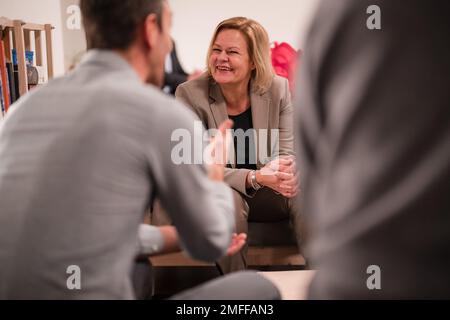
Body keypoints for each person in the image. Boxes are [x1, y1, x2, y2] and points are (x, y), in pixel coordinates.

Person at [0, 0, 280, 300]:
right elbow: (211, 241)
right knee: (258, 290)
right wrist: (213, 177)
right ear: (150, 30)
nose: (169, 42)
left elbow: (95, 233)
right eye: (168, 28)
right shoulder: (159, 113)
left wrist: (171, 236)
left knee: (139, 268)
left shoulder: (21, 111)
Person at [296, 0, 450, 298]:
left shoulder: (345, 13)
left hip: (352, 278)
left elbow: (313, 175)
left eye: (233, 51)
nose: (222, 58)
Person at [175, 17, 302, 273]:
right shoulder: (189, 94)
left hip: (272, 192)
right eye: (216, 49)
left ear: (254, 61)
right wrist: (254, 177)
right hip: (221, 190)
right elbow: (193, 165)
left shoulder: (277, 88)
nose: (221, 58)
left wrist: (287, 173)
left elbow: (287, 153)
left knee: (309, 195)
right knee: (228, 200)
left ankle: (328, 286)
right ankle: (236, 292)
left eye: (232, 52)